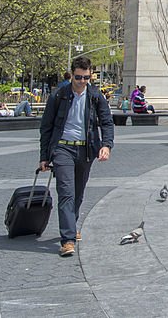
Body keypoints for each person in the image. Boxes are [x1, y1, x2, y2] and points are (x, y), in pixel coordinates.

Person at [38, 56, 114, 257]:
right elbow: (46, 127)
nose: (82, 82)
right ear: (72, 75)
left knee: (78, 193)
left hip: (86, 150)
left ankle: (71, 224)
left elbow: (106, 122)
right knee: (66, 192)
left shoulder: (96, 96)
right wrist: (44, 156)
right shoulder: (59, 95)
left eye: (86, 78)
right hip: (62, 148)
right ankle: (68, 239)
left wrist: (106, 145)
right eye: (78, 77)